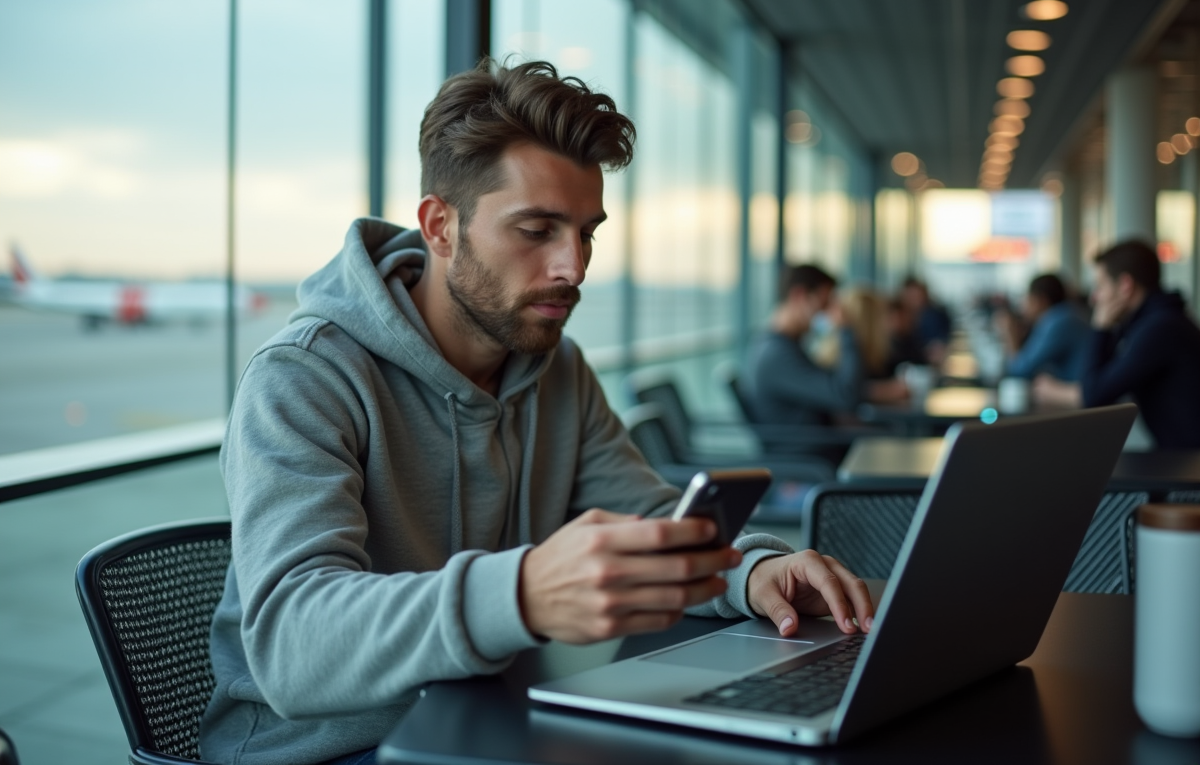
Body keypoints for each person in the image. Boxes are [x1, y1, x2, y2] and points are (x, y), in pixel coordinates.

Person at [199, 60, 874, 765]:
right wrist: (521, 596)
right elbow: (291, 645)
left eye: (586, 233)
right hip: (330, 750)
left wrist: (752, 575)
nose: (572, 267)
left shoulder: (556, 368)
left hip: (493, 717)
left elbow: (653, 521)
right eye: (536, 230)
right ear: (440, 226)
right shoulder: (305, 376)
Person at [1047, 240, 1200, 448]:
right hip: (1178, 454)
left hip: (1188, 460)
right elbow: (1099, 384)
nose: (1094, 298)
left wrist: (1100, 328)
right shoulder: (1154, 320)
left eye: (1100, 286)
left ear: (1125, 285)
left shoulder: (1160, 328)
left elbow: (1093, 396)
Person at [740, 264, 865, 447]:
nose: (828, 314)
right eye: (824, 304)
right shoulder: (776, 355)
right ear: (799, 295)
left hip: (820, 444)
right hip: (812, 454)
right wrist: (846, 330)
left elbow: (833, 386)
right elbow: (846, 395)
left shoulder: (778, 344)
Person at [998, 273, 1091, 383]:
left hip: (1076, 389)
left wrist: (1010, 334)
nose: (1024, 306)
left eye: (1028, 299)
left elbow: (1020, 371)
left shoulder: (1057, 321)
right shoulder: (1066, 314)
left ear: (1040, 300)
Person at [899, 276, 952, 367]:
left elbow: (938, 347)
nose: (912, 300)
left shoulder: (932, 317)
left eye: (915, 295)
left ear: (924, 296)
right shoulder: (898, 317)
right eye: (909, 295)